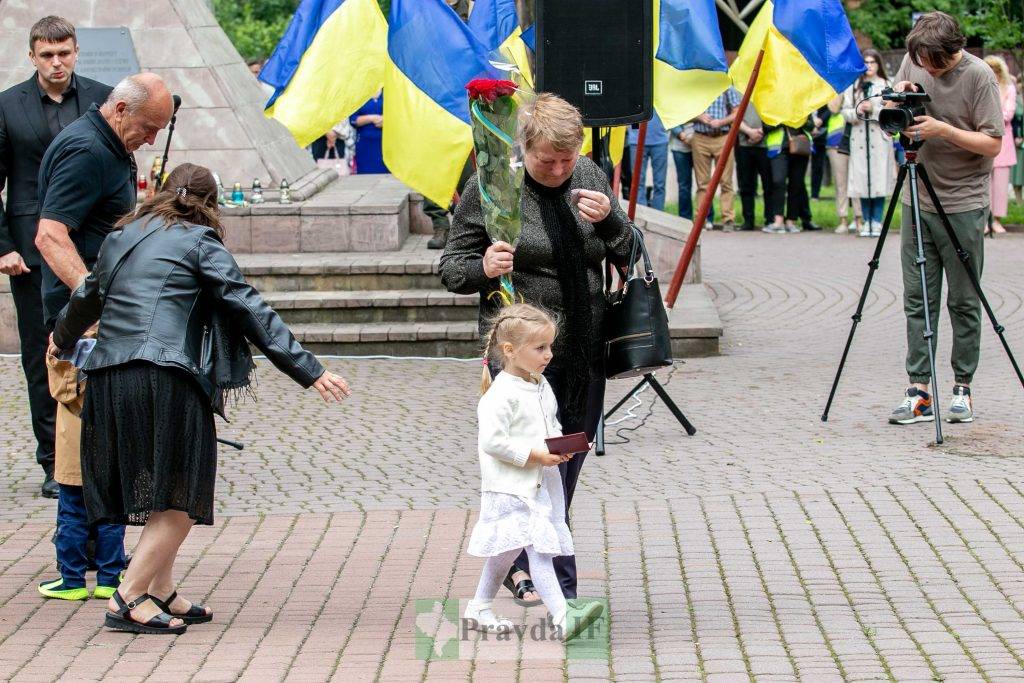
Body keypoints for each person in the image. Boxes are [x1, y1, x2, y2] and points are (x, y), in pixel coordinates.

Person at [50, 163, 352, 634]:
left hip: (109, 377)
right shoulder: (200, 243)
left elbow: (87, 296)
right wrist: (309, 370)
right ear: (210, 206)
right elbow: (250, 307)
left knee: (160, 489)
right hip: (165, 376)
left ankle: (160, 590)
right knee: (184, 497)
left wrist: (61, 336)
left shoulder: (120, 238)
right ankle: (128, 598)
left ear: (163, 194)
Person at [440, 93, 636, 603]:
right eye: (546, 160)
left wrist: (612, 221)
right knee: (530, 468)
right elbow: (451, 269)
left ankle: (525, 563)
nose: (558, 169)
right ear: (523, 147)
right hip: (519, 365)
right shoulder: (492, 188)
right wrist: (483, 268)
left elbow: (631, 250)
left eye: (566, 160)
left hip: (582, 355)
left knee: (565, 464)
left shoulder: (589, 175)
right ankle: (559, 588)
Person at [0, 15, 112, 499]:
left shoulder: (105, 98)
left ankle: (105, 451)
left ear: (76, 50)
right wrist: (2, 244)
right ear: (32, 56)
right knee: (40, 354)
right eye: (47, 54)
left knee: (105, 348)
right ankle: (53, 460)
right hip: (29, 251)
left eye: (64, 52)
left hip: (95, 248)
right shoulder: (7, 107)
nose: (56, 62)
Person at [885, 12, 1003, 426]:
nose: (925, 69)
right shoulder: (916, 58)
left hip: (963, 201)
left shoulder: (979, 76)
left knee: (963, 300)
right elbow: (893, 111)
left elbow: (992, 144)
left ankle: (962, 387)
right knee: (917, 297)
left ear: (952, 52)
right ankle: (918, 389)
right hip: (916, 195)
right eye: (919, 60)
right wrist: (894, 99)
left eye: (933, 63)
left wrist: (944, 130)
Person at [464, 303, 604, 642]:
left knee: (509, 550)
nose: (549, 354)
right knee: (536, 548)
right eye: (540, 348)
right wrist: (535, 455)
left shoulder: (540, 384)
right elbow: (494, 443)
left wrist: (559, 446)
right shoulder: (500, 395)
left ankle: (479, 605)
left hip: (539, 480)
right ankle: (562, 616)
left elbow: (550, 423)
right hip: (513, 486)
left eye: (550, 346)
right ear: (510, 351)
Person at [842, 49, 895, 237]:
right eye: (866, 62)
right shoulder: (854, 85)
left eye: (873, 62)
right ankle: (865, 220)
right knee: (862, 180)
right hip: (859, 139)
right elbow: (845, 112)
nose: (869, 66)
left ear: (878, 64)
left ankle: (877, 220)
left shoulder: (886, 85)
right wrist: (858, 111)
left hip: (878, 139)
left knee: (879, 179)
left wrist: (873, 109)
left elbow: (891, 112)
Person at [691, 87, 742, 231]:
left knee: (726, 181)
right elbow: (684, 113)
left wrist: (721, 121)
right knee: (702, 183)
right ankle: (701, 220)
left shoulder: (727, 87)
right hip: (700, 137)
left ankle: (728, 220)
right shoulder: (696, 87)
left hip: (723, 137)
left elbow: (737, 112)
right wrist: (699, 116)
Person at [763, 120, 818, 233]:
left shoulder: (801, 104)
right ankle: (778, 221)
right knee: (778, 181)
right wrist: (784, 120)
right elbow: (766, 127)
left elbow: (811, 126)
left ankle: (791, 221)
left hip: (800, 147)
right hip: (778, 149)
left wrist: (798, 120)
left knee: (796, 184)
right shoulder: (773, 105)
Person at [983, 55, 1017, 235]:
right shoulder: (983, 87)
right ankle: (985, 221)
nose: (993, 74)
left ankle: (997, 220)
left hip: (1004, 140)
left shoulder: (1009, 88)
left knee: (1001, 185)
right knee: (984, 182)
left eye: (996, 71)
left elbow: (1008, 114)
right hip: (985, 139)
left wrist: (990, 117)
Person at [826, 93, 863, 233]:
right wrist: (843, 90)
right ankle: (843, 219)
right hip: (836, 141)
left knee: (857, 181)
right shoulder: (835, 87)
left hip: (857, 140)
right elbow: (834, 108)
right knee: (841, 183)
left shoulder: (860, 85)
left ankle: (859, 218)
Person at [735, 103, 773, 231]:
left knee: (768, 184)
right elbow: (733, 115)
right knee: (746, 185)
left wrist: (761, 132)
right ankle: (748, 220)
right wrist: (750, 132)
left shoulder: (768, 90)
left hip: (766, 143)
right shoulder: (737, 91)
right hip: (743, 144)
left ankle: (770, 219)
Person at [627, 111, 669, 210]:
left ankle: (658, 215)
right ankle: (642, 215)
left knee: (660, 183)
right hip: (636, 141)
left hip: (660, 141)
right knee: (637, 182)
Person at [350, 91, 387, 174]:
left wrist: (385, 120)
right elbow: (353, 119)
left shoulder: (388, 92)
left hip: (386, 143)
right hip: (365, 145)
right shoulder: (359, 93)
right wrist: (371, 118)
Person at [1013, 76, 1023, 203]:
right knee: (1018, 172)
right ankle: (1019, 200)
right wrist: (1017, 136)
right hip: (1020, 140)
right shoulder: (1016, 99)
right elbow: (1015, 120)